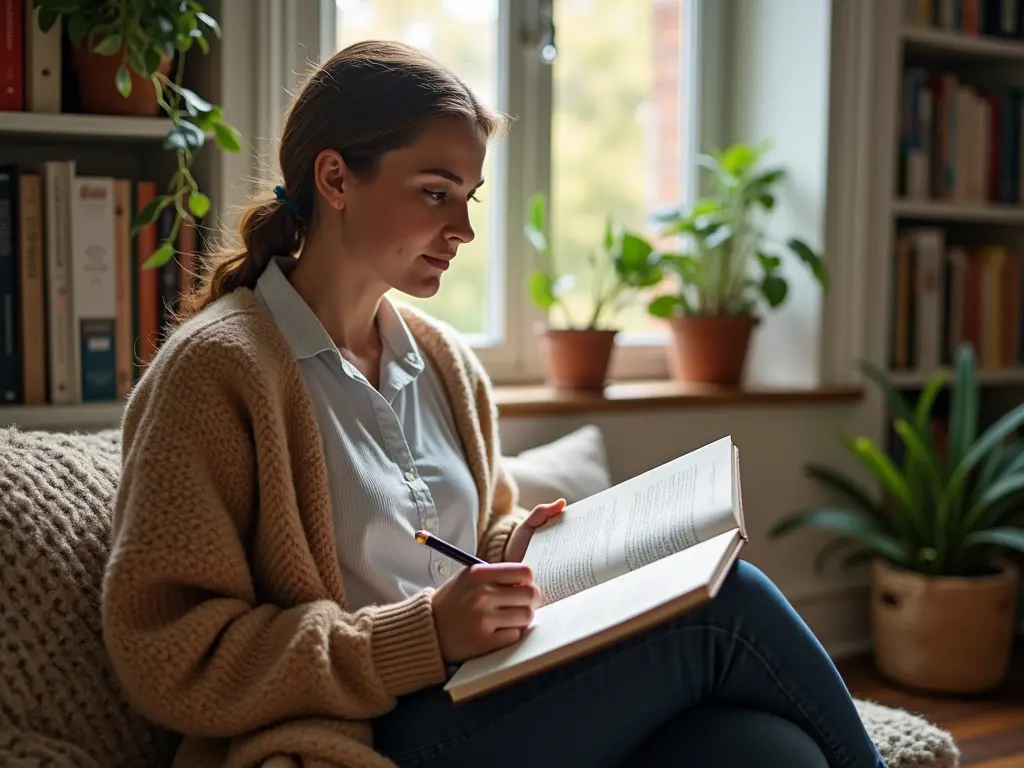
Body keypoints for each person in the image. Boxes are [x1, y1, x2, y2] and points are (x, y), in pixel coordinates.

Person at [102, 40, 887, 768]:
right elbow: (173, 651)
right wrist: (422, 635)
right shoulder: (216, 373)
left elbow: (461, 540)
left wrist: (515, 548)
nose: (464, 229)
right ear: (335, 179)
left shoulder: (441, 360)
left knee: (766, 750)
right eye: (436, 193)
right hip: (363, 732)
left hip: (487, 689)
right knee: (727, 605)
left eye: (470, 197)